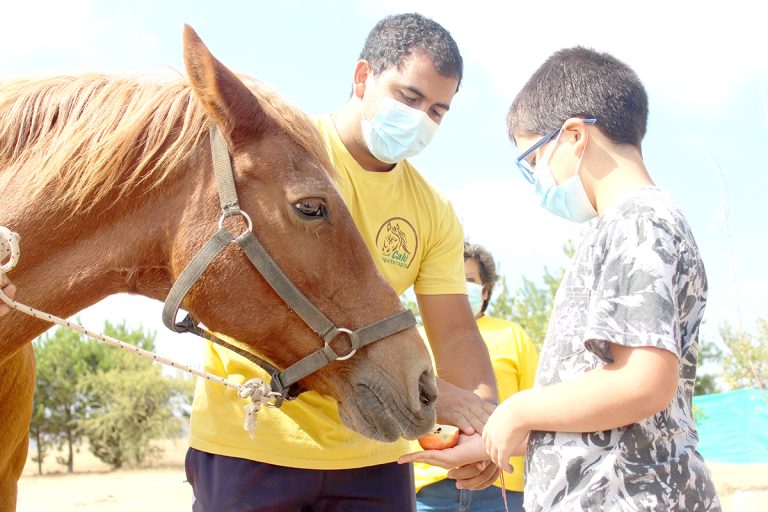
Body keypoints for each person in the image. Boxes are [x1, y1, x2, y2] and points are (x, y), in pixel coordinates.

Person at [185, 13, 499, 512]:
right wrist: (439, 394)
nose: (420, 119)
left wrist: (484, 424)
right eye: (409, 97)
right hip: (254, 443)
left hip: (376, 456)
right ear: (362, 77)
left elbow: (457, 332)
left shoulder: (433, 211)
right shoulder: (277, 158)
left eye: (438, 111)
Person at [400, 47, 721, 511]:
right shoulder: (623, 227)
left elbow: (644, 382)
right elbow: (602, 414)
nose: (536, 178)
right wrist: (493, 439)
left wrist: (518, 408)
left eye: (533, 160)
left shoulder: (638, 222)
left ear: (573, 135)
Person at [414, 242, 538, 512]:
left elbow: (535, 404)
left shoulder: (513, 335)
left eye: (469, 280)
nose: (460, 286)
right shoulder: (416, 337)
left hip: (501, 484)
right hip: (429, 485)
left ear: (486, 290)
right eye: (452, 278)